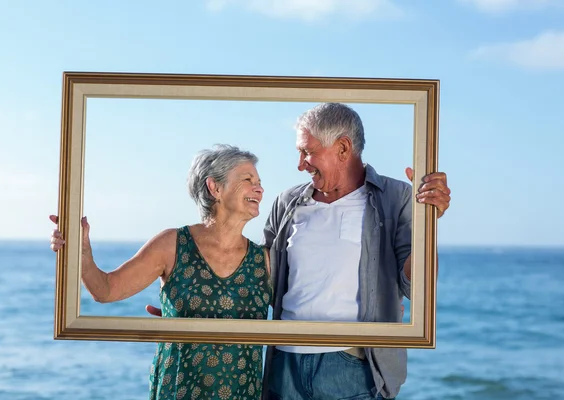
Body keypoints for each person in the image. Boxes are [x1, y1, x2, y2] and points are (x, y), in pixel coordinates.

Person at [49, 144, 273, 400]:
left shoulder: (263, 260)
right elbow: (105, 290)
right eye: (248, 180)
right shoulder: (173, 245)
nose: (259, 188)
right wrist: (81, 251)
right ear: (215, 188)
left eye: (259, 182)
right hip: (177, 392)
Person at [260, 103, 452, 400]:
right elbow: (261, 279)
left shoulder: (397, 197)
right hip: (284, 364)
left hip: (352, 367)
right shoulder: (286, 202)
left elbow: (418, 287)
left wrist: (428, 224)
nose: (300, 164)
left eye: (307, 152)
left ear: (343, 148)